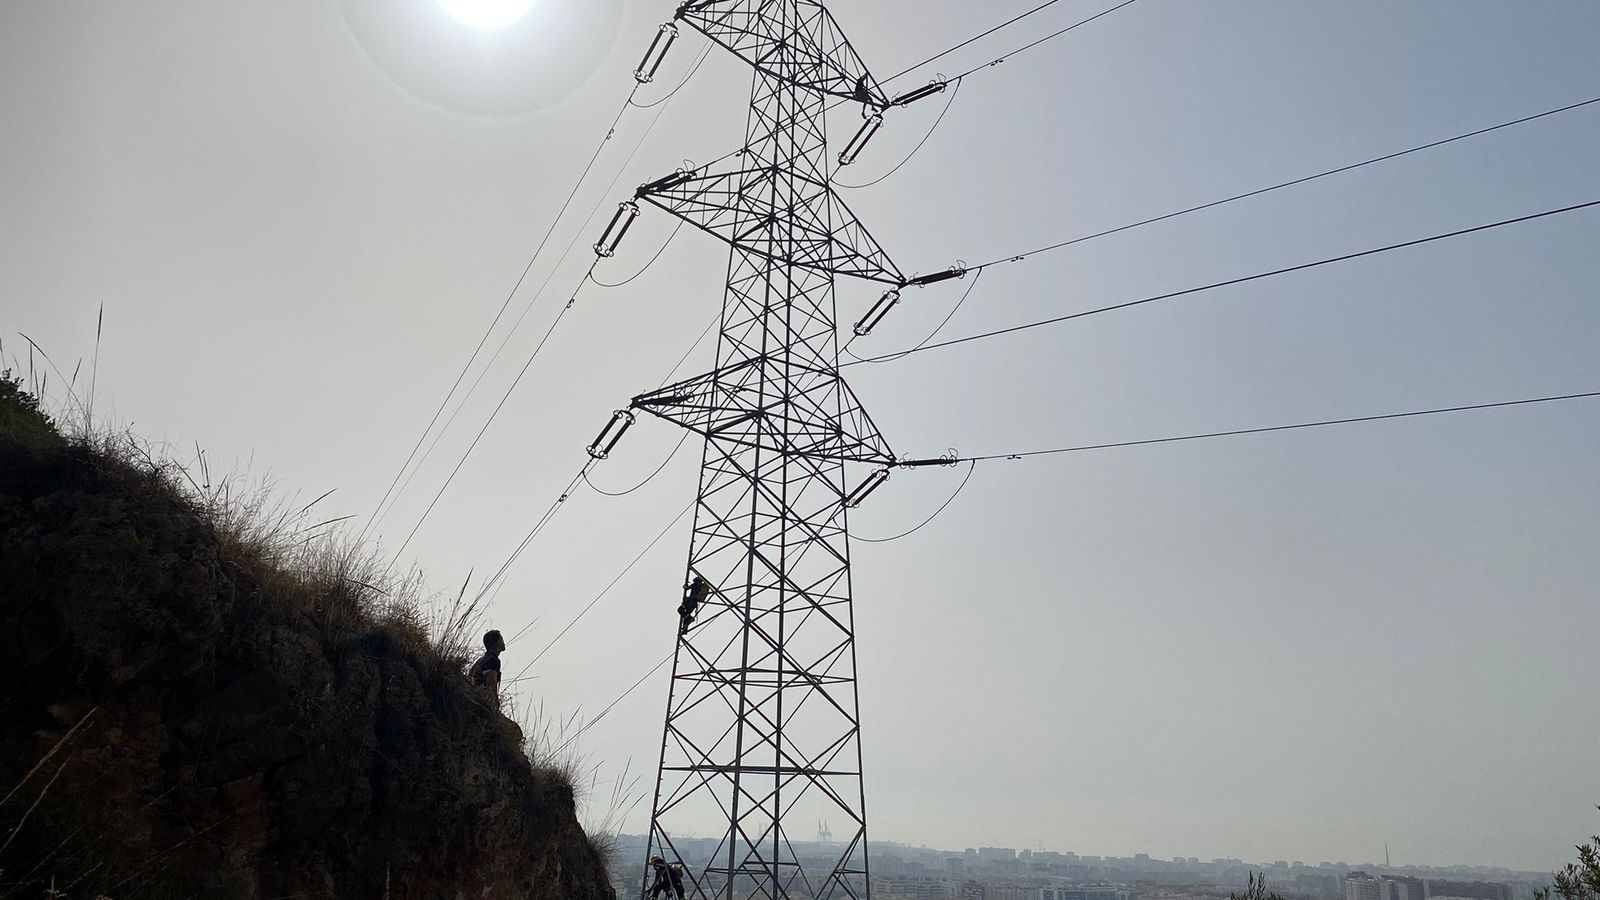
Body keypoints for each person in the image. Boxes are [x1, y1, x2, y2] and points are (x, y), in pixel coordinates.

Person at [468, 629, 506, 707]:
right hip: (481, 701)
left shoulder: (480, 660)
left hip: (473, 696)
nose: (503, 641)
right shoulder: (493, 660)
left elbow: (470, 675)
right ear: (497, 643)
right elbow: (491, 682)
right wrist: (495, 701)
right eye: (501, 639)